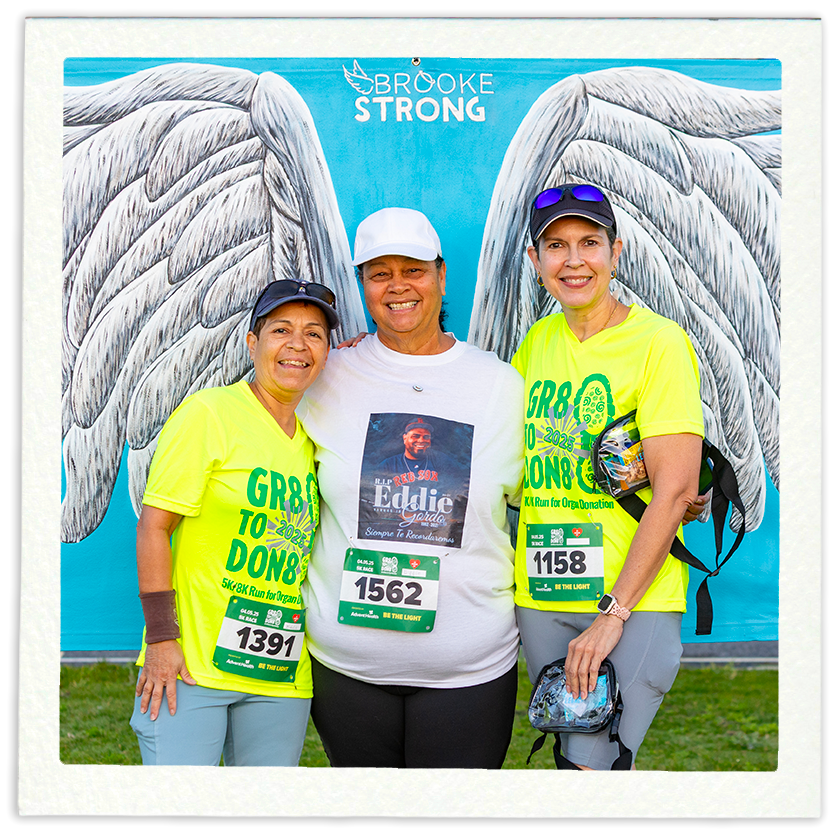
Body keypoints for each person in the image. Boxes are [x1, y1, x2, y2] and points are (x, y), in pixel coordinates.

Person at [297, 206, 524, 768]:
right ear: (363, 286)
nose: (397, 286)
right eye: (379, 273)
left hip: (468, 668)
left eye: (414, 269)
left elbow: (548, 495)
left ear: (442, 277)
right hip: (347, 668)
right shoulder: (326, 377)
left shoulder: (500, 385)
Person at [511, 184, 705, 770]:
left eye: (589, 243)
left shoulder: (659, 344)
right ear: (535, 260)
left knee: (591, 766)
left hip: (630, 601)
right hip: (542, 595)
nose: (574, 260)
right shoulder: (537, 341)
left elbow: (674, 493)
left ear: (615, 253)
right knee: (571, 758)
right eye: (556, 245)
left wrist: (611, 615)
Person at [130, 279, 338, 766]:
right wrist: (162, 639)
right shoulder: (210, 413)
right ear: (252, 342)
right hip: (192, 668)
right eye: (281, 330)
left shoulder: (315, 437)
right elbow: (154, 527)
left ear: (328, 352)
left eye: (314, 335)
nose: (297, 345)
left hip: (279, 672)